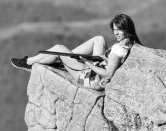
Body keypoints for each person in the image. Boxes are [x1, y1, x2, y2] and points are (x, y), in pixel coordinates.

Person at [11, 14, 142, 91]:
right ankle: (62, 59)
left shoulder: (118, 49)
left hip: (89, 77)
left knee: (58, 48)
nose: (116, 33)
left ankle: (29, 62)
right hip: (99, 66)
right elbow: (114, 62)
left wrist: (87, 62)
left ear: (126, 28)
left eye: (119, 30)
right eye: (114, 30)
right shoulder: (132, 45)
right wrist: (104, 57)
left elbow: (108, 74)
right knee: (99, 39)